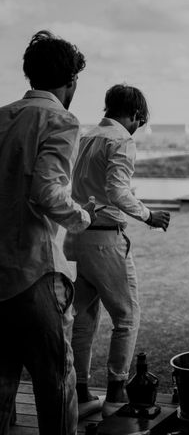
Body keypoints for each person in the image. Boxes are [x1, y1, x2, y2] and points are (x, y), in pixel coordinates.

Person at [0, 30, 94, 434]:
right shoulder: (61, 119)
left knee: (1, 386)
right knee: (56, 383)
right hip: (35, 271)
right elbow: (47, 191)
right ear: (71, 81)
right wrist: (82, 217)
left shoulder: (2, 116)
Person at [64, 84, 171, 417]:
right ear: (136, 115)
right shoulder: (121, 140)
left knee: (82, 318)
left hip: (75, 237)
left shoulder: (85, 138)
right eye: (141, 120)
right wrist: (149, 215)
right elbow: (117, 190)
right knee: (127, 317)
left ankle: (80, 394)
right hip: (105, 241)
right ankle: (116, 395)